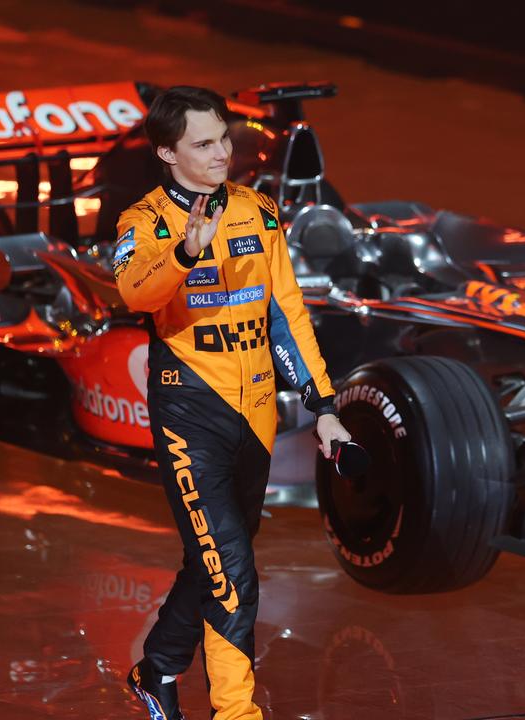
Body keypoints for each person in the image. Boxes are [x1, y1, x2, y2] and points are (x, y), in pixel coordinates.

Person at [114, 86, 351, 720]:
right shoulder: (144, 221)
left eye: (224, 138)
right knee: (233, 574)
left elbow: (287, 316)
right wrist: (187, 252)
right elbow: (134, 292)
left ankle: (157, 669)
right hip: (191, 410)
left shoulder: (259, 211)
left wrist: (323, 403)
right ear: (167, 152)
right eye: (203, 143)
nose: (223, 153)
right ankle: (236, 713)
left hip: (258, 416)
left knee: (217, 557)